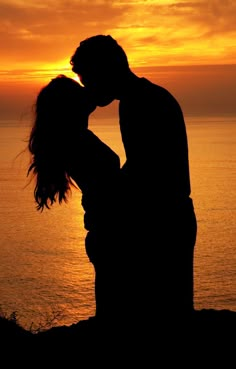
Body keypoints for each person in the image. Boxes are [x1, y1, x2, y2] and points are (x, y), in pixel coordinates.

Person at [70, 35, 197, 322]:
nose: (86, 86)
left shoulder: (137, 103)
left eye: (88, 78)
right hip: (171, 216)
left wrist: (105, 199)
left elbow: (144, 170)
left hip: (163, 222)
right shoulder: (147, 96)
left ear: (104, 70)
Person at [27, 75, 126, 323]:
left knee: (114, 309)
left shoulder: (75, 137)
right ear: (71, 107)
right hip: (110, 233)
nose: (86, 92)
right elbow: (109, 185)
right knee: (116, 313)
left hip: (104, 231)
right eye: (79, 91)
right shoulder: (77, 140)